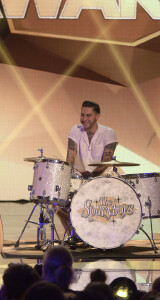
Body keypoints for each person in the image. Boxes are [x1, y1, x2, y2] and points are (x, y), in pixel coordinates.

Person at [57, 100, 118, 235]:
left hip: (102, 179)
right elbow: (70, 157)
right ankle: (74, 235)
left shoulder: (109, 133)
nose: (84, 119)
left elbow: (106, 161)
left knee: (94, 207)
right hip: (81, 178)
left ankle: (97, 235)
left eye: (88, 116)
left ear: (97, 116)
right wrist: (71, 174)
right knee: (60, 205)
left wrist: (92, 175)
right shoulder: (75, 130)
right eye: (82, 115)